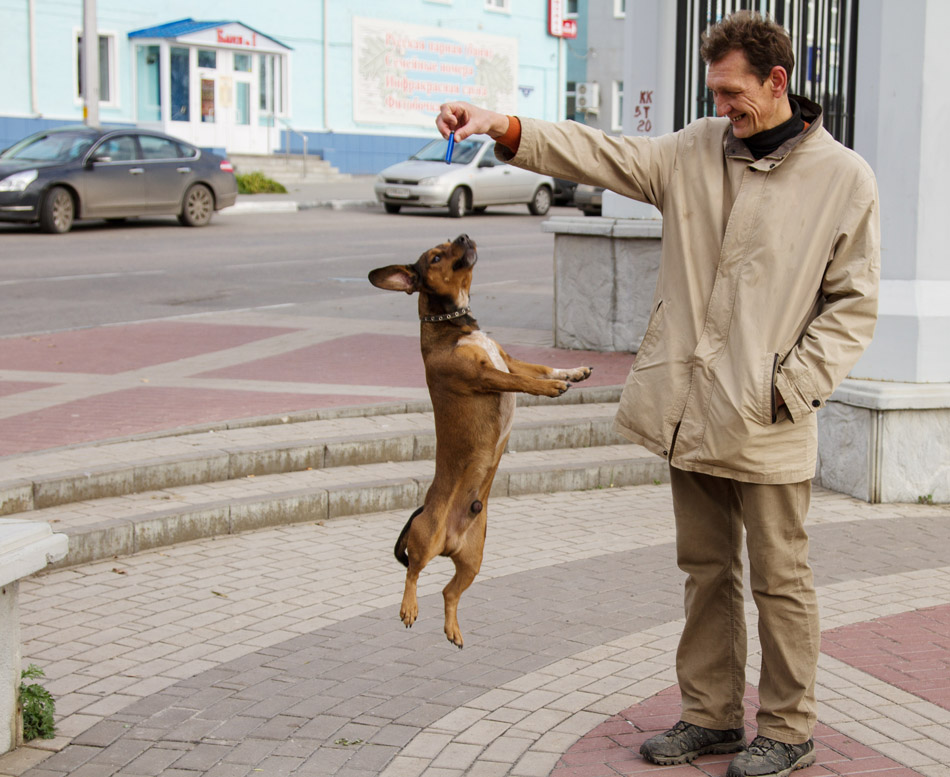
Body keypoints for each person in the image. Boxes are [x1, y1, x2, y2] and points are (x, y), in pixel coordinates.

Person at [436, 10, 879, 777]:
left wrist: (791, 386)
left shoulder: (843, 178)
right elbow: (599, 152)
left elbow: (853, 304)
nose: (721, 109)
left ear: (778, 82)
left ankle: (789, 726)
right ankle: (710, 716)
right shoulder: (694, 151)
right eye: (714, 93)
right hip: (690, 412)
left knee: (782, 582)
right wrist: (502, 124)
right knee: (705, 570)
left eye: (733, 93)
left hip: (768, 416)